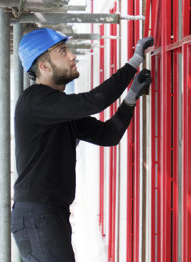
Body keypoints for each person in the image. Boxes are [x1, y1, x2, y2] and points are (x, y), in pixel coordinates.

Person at [11, 27, 153, 261]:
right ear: (44, 67)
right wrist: (135, 60)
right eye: (63, 52)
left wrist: (130, 98)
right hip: (38, 215)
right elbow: (96, 101)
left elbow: (108, 135)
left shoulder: (57, 109)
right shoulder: (34, 100)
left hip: (48, 215)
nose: (72, 56)